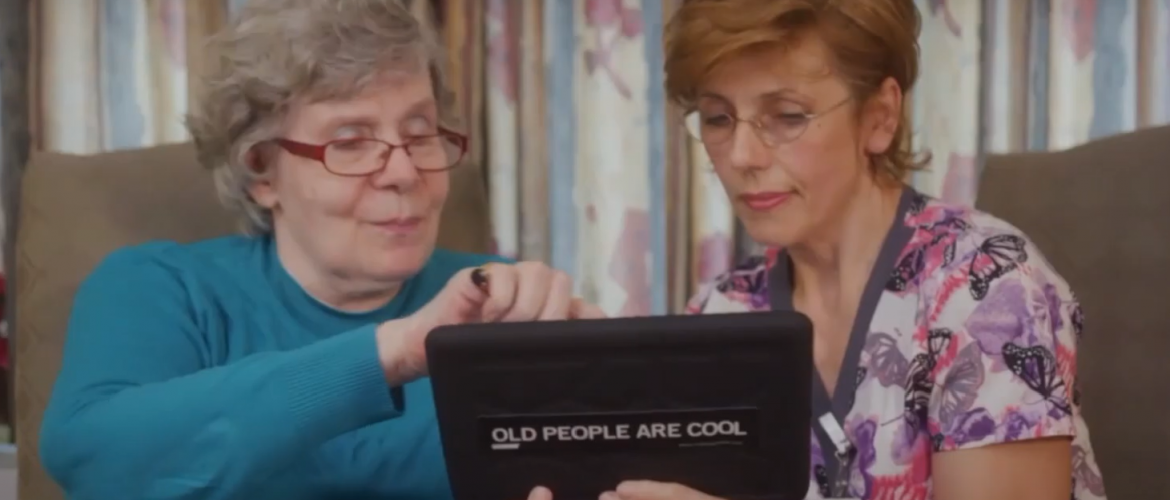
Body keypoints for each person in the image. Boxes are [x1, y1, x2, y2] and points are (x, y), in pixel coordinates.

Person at [38, 1, 602, 499]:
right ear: (262, 171)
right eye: (351, 143)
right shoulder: (161, 288)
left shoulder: (504, 310)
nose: (404, 171)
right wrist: (397, 352)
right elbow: (95, 466)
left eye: (419, 132)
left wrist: (619, 391)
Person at [595, 1, 1108, 500]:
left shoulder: (988, 286)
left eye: (787, 116)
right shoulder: (722, 313)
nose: (741, 156)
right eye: (717, 118)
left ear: (880, 117)